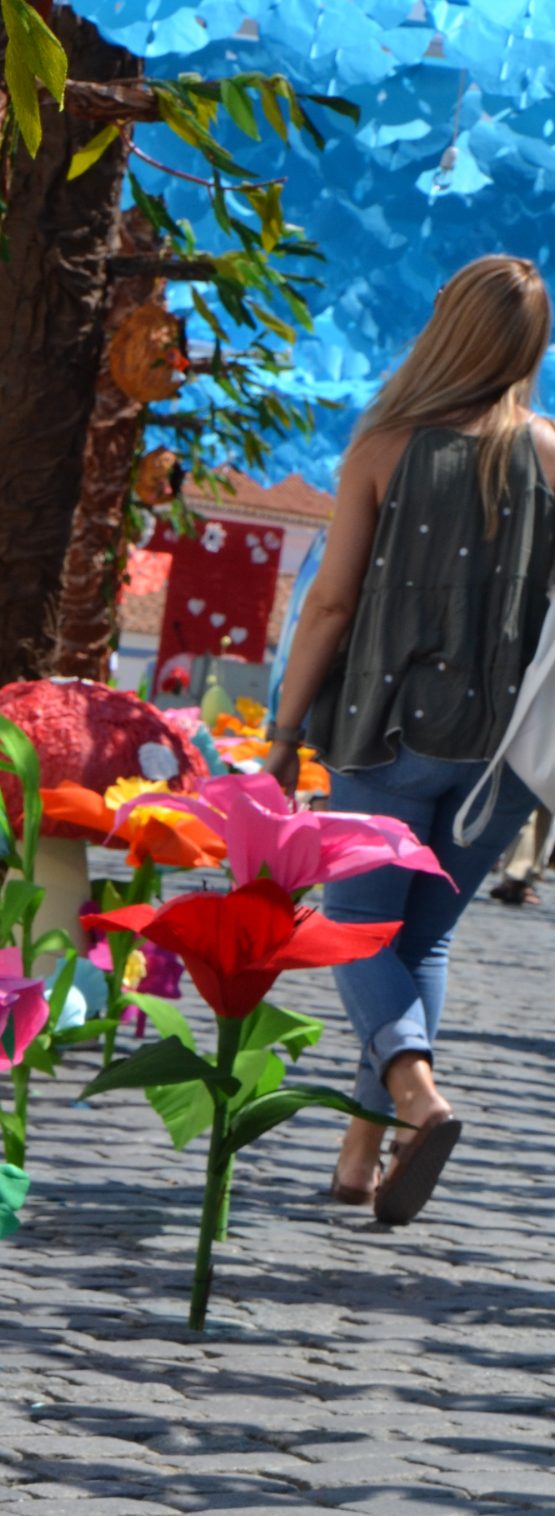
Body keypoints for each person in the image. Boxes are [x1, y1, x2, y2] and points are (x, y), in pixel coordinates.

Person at [267, 255, 555, 1224]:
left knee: (351, 928)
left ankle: (414, 1091)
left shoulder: (384, 445)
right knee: (420, 940)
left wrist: (281, 734)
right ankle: (361, 1158)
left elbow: (330, 604)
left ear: (447, 328)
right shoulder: (549, 454)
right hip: (502, 754)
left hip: (385, 731)